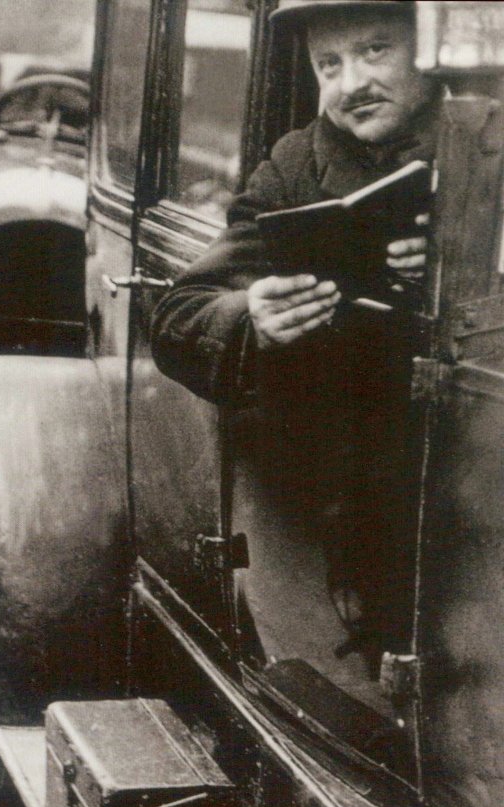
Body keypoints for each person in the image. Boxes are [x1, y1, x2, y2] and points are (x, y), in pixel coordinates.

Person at [150, 0, 439, 670]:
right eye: (327, 65)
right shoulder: (293, 166)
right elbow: (177, 313)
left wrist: (455, 270)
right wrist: (251, 317)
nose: (350, 84)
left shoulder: (489, 148)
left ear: (432, 48)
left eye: (375, 51)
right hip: (331, 499)